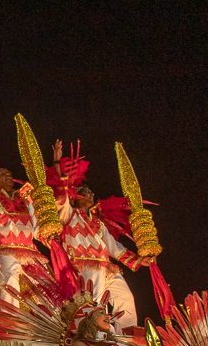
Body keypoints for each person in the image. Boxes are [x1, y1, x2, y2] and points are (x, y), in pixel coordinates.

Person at [49, 141, 144, 331]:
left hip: (105, 267)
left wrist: (140, 260)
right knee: (96, 303)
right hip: (83, 268)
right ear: (77, 196)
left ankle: (128, 337)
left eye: (92, 192)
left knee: (126, 298)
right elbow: (62, 192)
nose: (91, 194)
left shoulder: (99, 223)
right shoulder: (69, 214)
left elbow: (114, 248)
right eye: (85, 192)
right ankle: (96, 334)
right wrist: (57, 163)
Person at [0, 168, 46, 305]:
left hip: (30, 251)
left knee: (44, 283)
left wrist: (50, 234)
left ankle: (48, 320)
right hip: (5, 249)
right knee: (11, 279)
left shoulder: (26, 202)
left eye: (10, 174)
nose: (8, 176)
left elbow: (38, 229)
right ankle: (12, 320)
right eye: (3, 174)